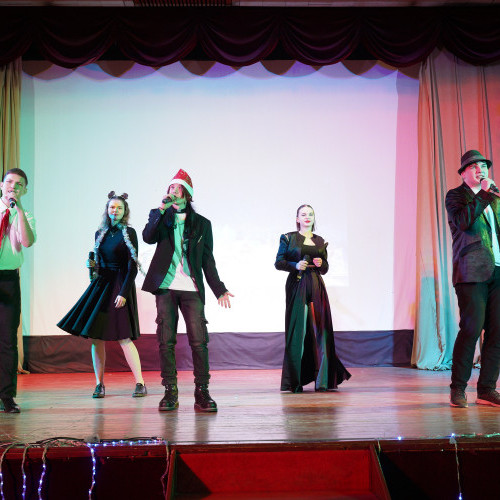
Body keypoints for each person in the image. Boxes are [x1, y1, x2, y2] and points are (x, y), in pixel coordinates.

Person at [142, 169, 233, 412]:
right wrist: (160, 211)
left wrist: (219, 289)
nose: (173, 191)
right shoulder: (160, 216)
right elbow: (148, 237)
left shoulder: (202, 224)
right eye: (170, 187)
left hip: (192, 288)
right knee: (166, 342)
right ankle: (170, 392)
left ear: (187, 194)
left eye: (177, 188)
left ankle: (202, 392)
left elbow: (207, 260)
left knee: (199, 342)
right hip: (166, 287)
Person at [58, 192, 147, 399]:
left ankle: (140, 383)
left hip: (120, 284)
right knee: (96, 338)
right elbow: (98, 265)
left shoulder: (129, 232)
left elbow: (132, 266)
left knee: (124, 337)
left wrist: (124, 293)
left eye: (119, 208)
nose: (115, 211)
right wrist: (92, 266)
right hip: (102, 284)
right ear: (107, 210)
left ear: (125, 211)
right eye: (112, 207)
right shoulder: (100, 233)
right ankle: (99, 384)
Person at [275, 204, 351, 393]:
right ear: (297, 219)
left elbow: (325, 269)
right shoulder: (288, 238)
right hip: (297, 284)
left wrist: (321, 263)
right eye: (303, 214)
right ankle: (295, 382)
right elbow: (279, 262)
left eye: (310, 214)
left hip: (316, 284)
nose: (307, 217)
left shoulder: (320, 241)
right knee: (298, 331)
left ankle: (323, 381)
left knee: (320, 331)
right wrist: (295, 265)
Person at [446, 150, 500, 408]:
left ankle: (487, 389)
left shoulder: (495, 198)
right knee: (471, 329)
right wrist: (484, 195)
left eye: (484, 166)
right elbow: (464, 222)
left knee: (497, 331)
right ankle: (458, 388)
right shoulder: (456, 196)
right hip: (471, 272)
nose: (481, 170)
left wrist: (491, 196)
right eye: (474, 166)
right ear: (463, 173)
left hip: (497, 271)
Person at [0, 168, 36, 413]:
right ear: (1, 185)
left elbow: (27, 241)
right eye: (9, 181)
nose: (13, 186)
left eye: (19, 184)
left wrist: (19, 211)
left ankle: (7, 396)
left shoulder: (25, 215)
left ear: (24, 190)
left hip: (8, 280)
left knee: (7, 340)